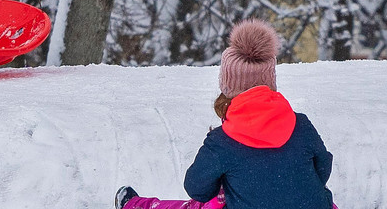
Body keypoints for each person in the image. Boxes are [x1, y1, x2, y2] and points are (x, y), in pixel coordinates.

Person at [114, 20, 336, 209]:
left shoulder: (222, 142)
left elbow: (196, 189)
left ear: (228, 88)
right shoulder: (301, 124)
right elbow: (323, 168)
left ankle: (136, 205)